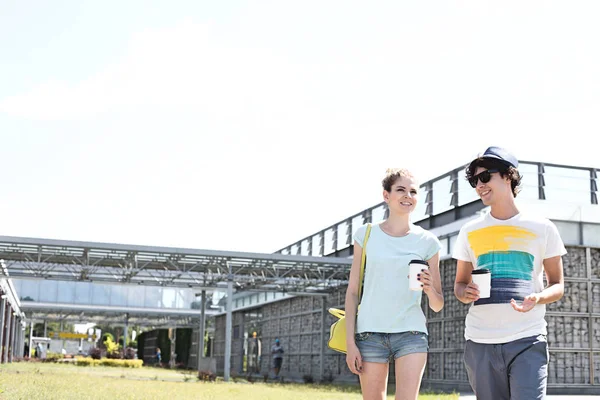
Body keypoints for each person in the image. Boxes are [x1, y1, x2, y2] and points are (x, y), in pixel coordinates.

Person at [453, 146, 566, 400]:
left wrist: (537, 298)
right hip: (480, 340)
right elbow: (459, 285)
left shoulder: (543, 228)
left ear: (508, 176)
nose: (479, 185)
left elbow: (557, 284)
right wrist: (465, 292)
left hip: (528, 338)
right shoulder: (469, 231)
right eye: (474, 180)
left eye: (485, 177)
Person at [345, 168, 444, 400]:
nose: (407, 196)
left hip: (411, 333)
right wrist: (351, 343)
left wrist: (429, 289)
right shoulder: (366, 234)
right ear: (386, 195)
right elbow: (352, 293)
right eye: (400, 190)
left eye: (413, 191)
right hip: (369, 334)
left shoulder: (428, 242)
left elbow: (438, 305)